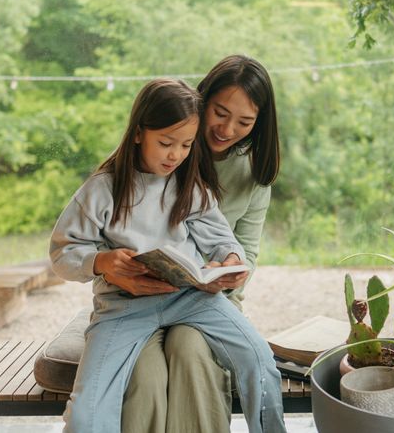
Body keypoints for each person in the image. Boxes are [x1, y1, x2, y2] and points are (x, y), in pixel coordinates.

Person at [49, 77, 286, 433]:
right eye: (166, 143)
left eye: (186, 145)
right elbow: (63, 252)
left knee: (260, 362)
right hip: (123, 308)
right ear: (139, 132)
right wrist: (101, 262)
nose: (175, 155)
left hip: (192, 299)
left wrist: (232, 262)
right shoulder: (102, 189)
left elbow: (223, 240)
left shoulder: (189, 187)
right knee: (86, 414)